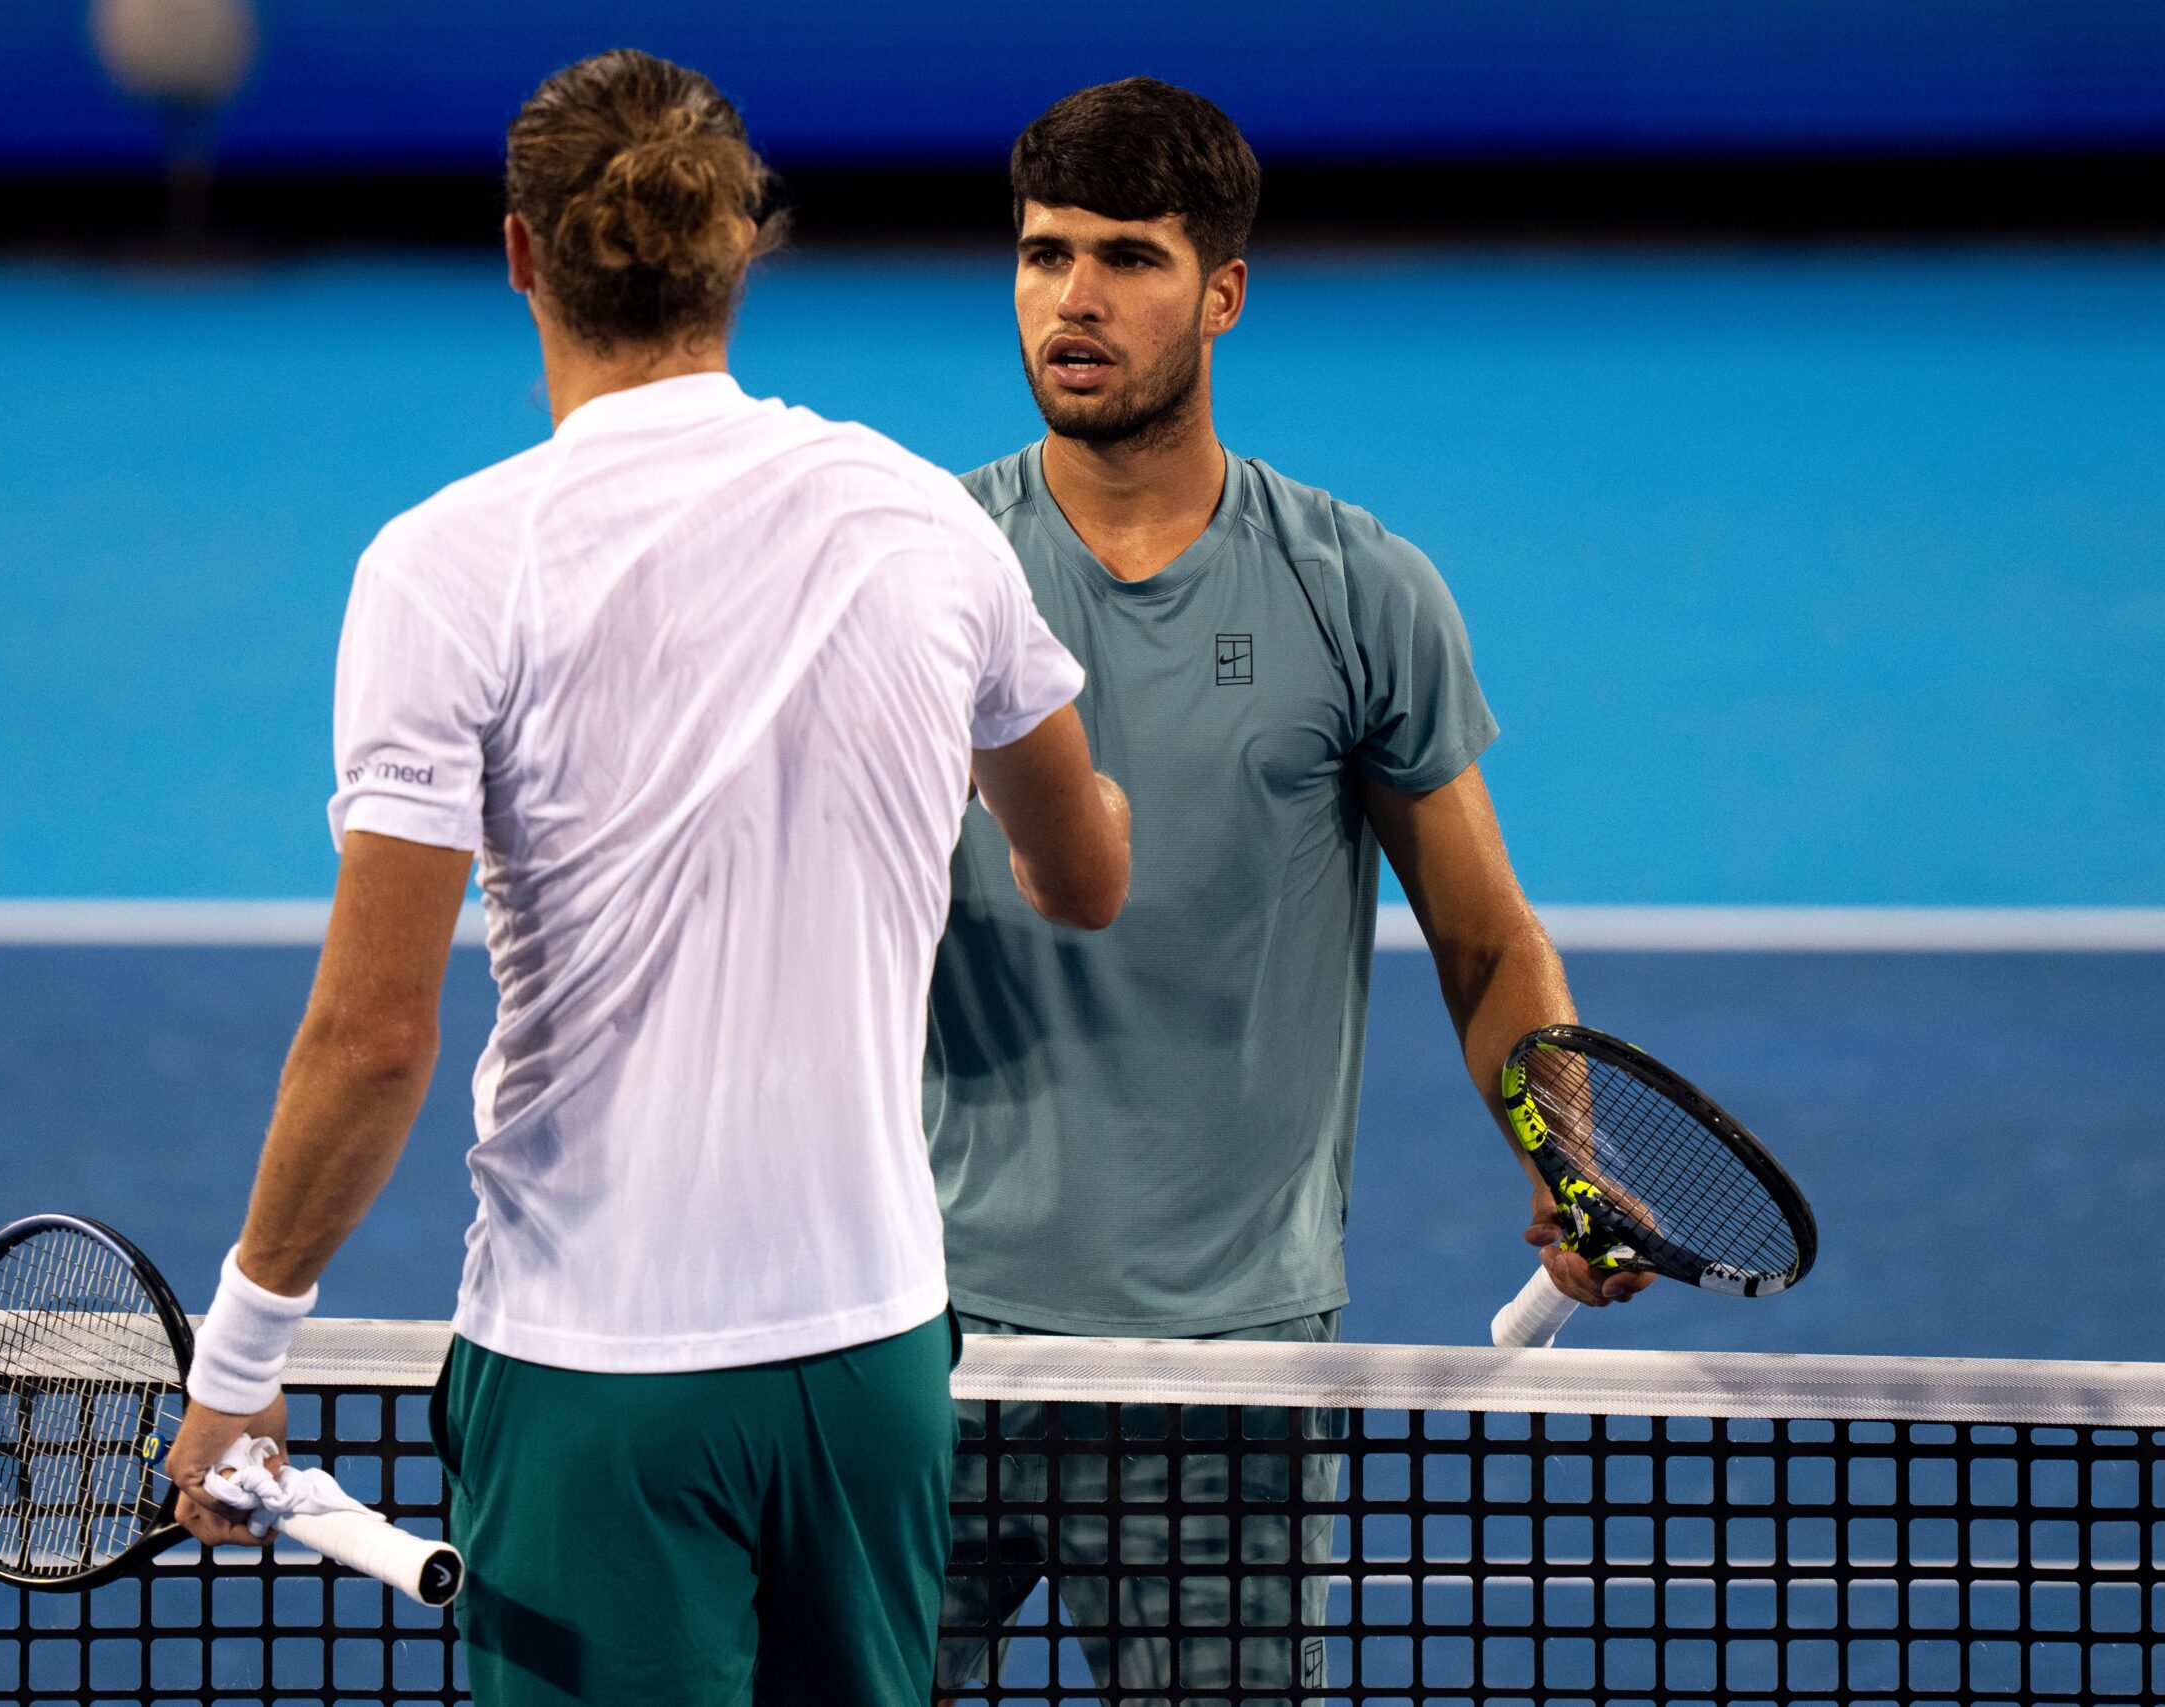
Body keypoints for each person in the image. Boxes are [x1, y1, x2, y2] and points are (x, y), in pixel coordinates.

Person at [158, 50, 1132, 1707]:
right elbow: (1085, 871)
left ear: (524, 254)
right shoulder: (928, 522)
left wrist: (240, 1360)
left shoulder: (447, 565)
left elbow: (375, 1036)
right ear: (746, 247)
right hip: (875, 1358)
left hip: (601, 1376)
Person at [926, 79, 1648, 1699]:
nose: (1076, 300)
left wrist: (1566, 1152)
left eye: (1127, 258)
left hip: (1228, 1368)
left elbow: (1481, 937)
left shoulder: (1356, 591)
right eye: (1044, 257)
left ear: (1224, 293)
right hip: (929, 1336)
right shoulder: (923, 567)